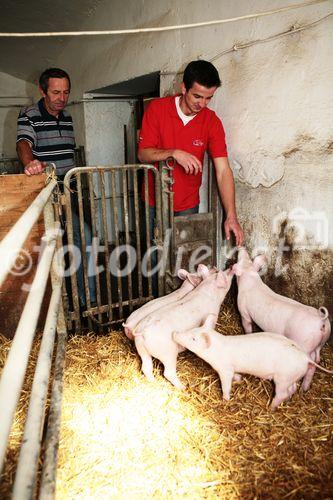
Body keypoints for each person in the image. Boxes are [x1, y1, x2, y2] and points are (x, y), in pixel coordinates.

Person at [137, 59, 244, 246]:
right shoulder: (157, 109)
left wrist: (231, 216)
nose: (202, 104)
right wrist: (174, 153)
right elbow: (143, 154)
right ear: (184, 88)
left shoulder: (211, 122)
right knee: (155, 257)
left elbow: (223, 171)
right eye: (197, 96)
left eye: (209, 98)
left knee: (184, 257)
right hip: (154, 201)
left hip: (187, 203)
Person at [16, 67, 96, 309]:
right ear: (42, 91)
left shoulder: (67, 117)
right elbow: (23, 142)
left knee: (82, 241)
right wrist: (30, 162)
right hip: (47, 196)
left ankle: (86, 302)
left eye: (66, 92)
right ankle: (56, 305)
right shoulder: (29, 114)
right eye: (56, 92)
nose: (62, 98)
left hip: (69, 194)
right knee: (60, 246)